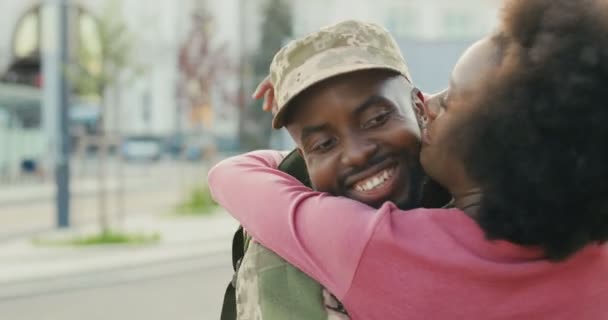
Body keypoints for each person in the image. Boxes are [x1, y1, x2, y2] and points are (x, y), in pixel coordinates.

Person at [210, 0, 608, 318]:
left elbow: (232, 175)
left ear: (494, 134)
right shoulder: (594, 256)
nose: (430, 107)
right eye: (324, 143)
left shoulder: (376, 248)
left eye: (447, 99)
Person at [221, 20, 449, 320]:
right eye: (325, 144)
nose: (356, 155)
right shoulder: (288, 261)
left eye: (376, 119)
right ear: (304, 157)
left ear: (420, 109)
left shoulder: (484, 186)